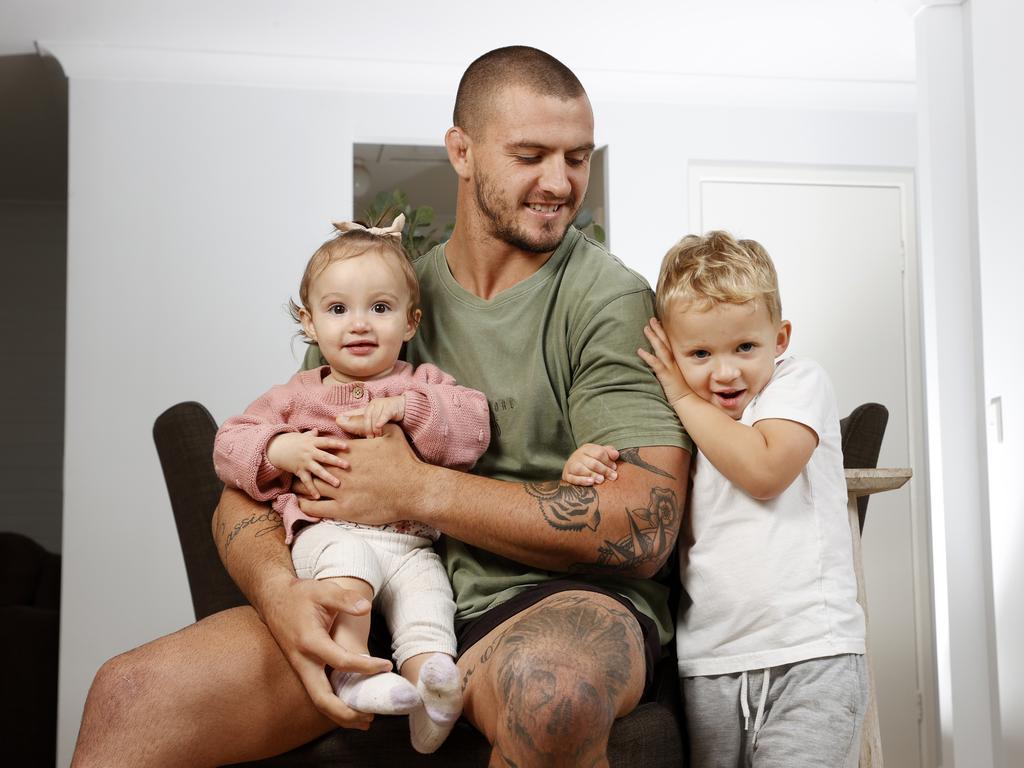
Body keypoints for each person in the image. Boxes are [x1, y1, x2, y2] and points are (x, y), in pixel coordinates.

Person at [71, 45, 691, 768]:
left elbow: (646, 524)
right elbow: (245, 495)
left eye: (577, 158)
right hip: (359, 588)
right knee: (129, 692)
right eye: (530, 155)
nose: (560, 182)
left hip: (543, 599)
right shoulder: (379, 294)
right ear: (460, 150)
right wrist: (281, 595)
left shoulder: (607, 299)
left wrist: (420, 488)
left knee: (550, 699)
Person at [212, 215, 490, 753]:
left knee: (429, 600)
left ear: (410, 323)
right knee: (350, 568)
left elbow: (472, 427)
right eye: (338, 310)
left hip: (411, 544)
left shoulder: (421, 384)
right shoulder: (296, 396)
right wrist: (277, 449)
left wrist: (409, 409)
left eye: (379, 309)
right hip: (327, 532)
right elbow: (228, 443)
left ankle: (430, 692)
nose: (359, 325)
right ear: (309, 323)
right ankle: (354, 672)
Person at [632, 230, 868, 767]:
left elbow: (763, 471)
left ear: (779, 338)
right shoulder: (683, 417)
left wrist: (677, 392)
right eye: (699, 352)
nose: (725, 371)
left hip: (811, 653)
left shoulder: (798, 383)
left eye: (745, 346)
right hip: (712, 662)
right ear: (671, 348)